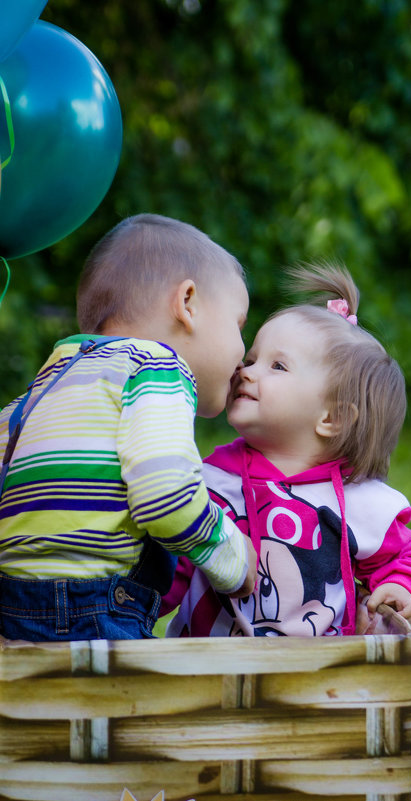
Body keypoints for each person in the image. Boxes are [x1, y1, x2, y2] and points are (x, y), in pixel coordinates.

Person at [0, 213, 256, 642]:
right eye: (239, 324)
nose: (243, 353)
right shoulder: (157, 367)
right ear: (188, 303)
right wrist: (232, 557)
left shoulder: (45, 386)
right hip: (93, 611)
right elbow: (165, 494)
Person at [163, 263, 411, 637]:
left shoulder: (360, 502)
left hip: (319, 680)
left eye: (276, 366)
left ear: (332, 418)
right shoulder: (211, 480)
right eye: (253, 357)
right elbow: (177, 557)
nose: (246, 370)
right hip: (209, 669)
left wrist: (401, 587)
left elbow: (402, 559)